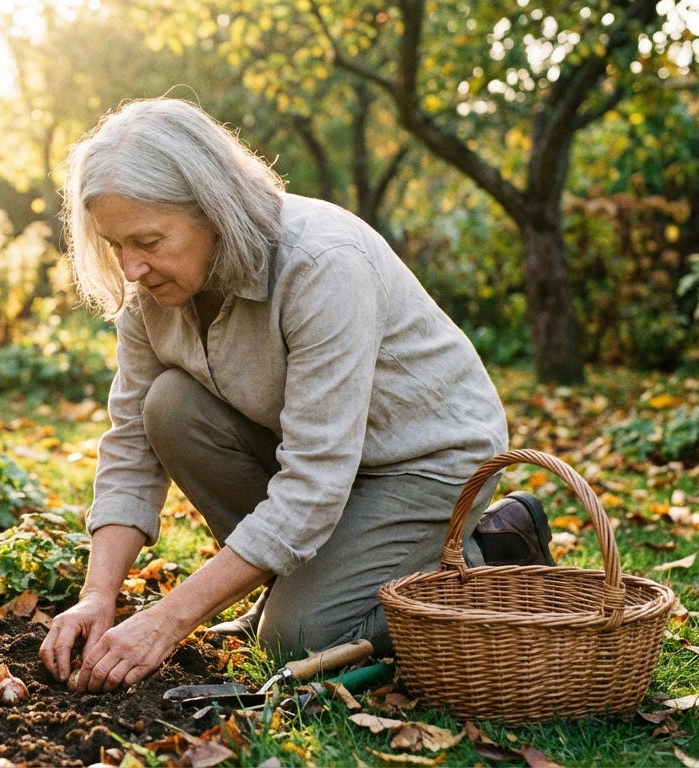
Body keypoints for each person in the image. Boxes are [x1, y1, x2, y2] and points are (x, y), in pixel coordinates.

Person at [38, 99, 555, 694]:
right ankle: (312, 585)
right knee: (170, 407)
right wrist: (97, 596)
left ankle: (491, 555)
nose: (130, 268)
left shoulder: (322, 264)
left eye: (147, 240)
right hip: (318, 458)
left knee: (296, 639)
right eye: (114, 244)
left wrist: (169, 619)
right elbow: (132, 443)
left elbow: (313, 483)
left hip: (426, 463)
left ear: (212, 209)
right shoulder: (152, 289)